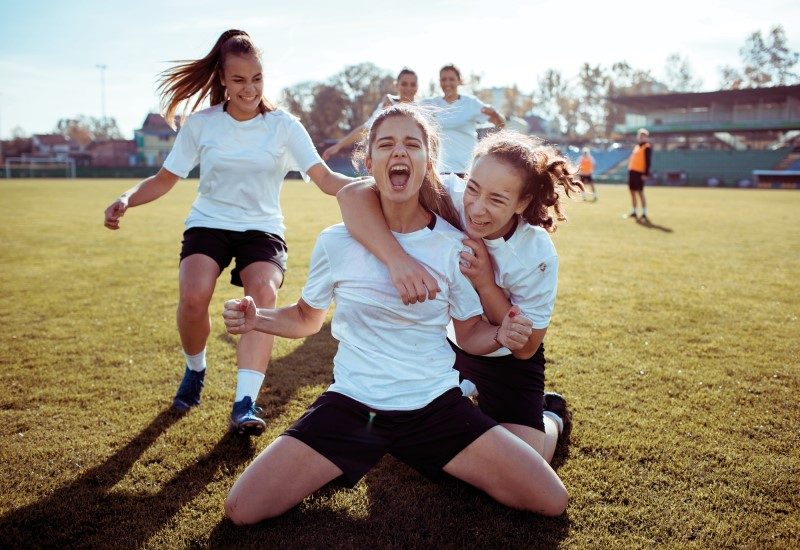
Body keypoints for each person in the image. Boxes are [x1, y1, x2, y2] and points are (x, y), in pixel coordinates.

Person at [222, 105, 568, 524]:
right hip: (353, 405)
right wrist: (257, 317)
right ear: (370, 163)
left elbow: (483, 334)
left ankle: (536, 417)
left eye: (412, 144)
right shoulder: (337, 241)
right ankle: (388, 440)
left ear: (429, 162)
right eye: (386, 144)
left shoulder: (461, 245)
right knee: (242, 509)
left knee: (551, 499)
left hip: (437, 406)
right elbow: (306, 317)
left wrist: (500, 333)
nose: (399, 152)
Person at [102, 29, 359, 436]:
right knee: (194, 295)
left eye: (257, 78)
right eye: (239, 80)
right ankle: (195, 369)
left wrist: (373, 189)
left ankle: (244, 402)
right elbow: (165, 179)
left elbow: (326, 178)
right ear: (223, 79)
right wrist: (127, 198)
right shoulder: (202, 125)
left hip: (262, 229)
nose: (250, 88)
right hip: (209, 222)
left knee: (263, 296)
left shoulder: (284, 126)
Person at [337, 130, 583, 464]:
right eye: (473, 188)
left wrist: (485, 283)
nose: (477, 209)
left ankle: (550, 416)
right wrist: (398, 261)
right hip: (446, 344)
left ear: (521, 203)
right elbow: (352, 195)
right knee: (411, 444)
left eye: (497, 200)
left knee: (525, 462)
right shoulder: (448, 195)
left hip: (505, 361)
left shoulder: (536, 253)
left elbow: (525, 348)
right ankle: (462, 388)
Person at [420, 64, 505, 177]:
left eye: (451, 79)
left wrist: (495, 113)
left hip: (466, 169)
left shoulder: (470, 103)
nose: (447, 83)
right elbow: (406, 106)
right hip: (439, 170)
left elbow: (501, 124)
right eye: (443, 79)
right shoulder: (432, 103)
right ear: (439, 81)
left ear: (459, 81)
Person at [321, 68, 419, 161]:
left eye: (413, 84)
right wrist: (338, 146)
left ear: (417, 87)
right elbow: (366, 129)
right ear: (396, 85)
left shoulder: (423, 107)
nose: (408, 88)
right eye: (404, 84)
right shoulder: (387, 103)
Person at [626, 128, 652, 221]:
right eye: (639, 135)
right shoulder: (637, 147)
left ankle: (644, 213)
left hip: (640, 173)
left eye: (643, 136)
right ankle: (634, 211)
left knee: (640, 192)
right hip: (632, 172)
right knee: (632, 192)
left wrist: (645, 174)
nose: (641, 137)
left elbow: (648, 162)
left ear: (646, 137)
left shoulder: (647, 147)